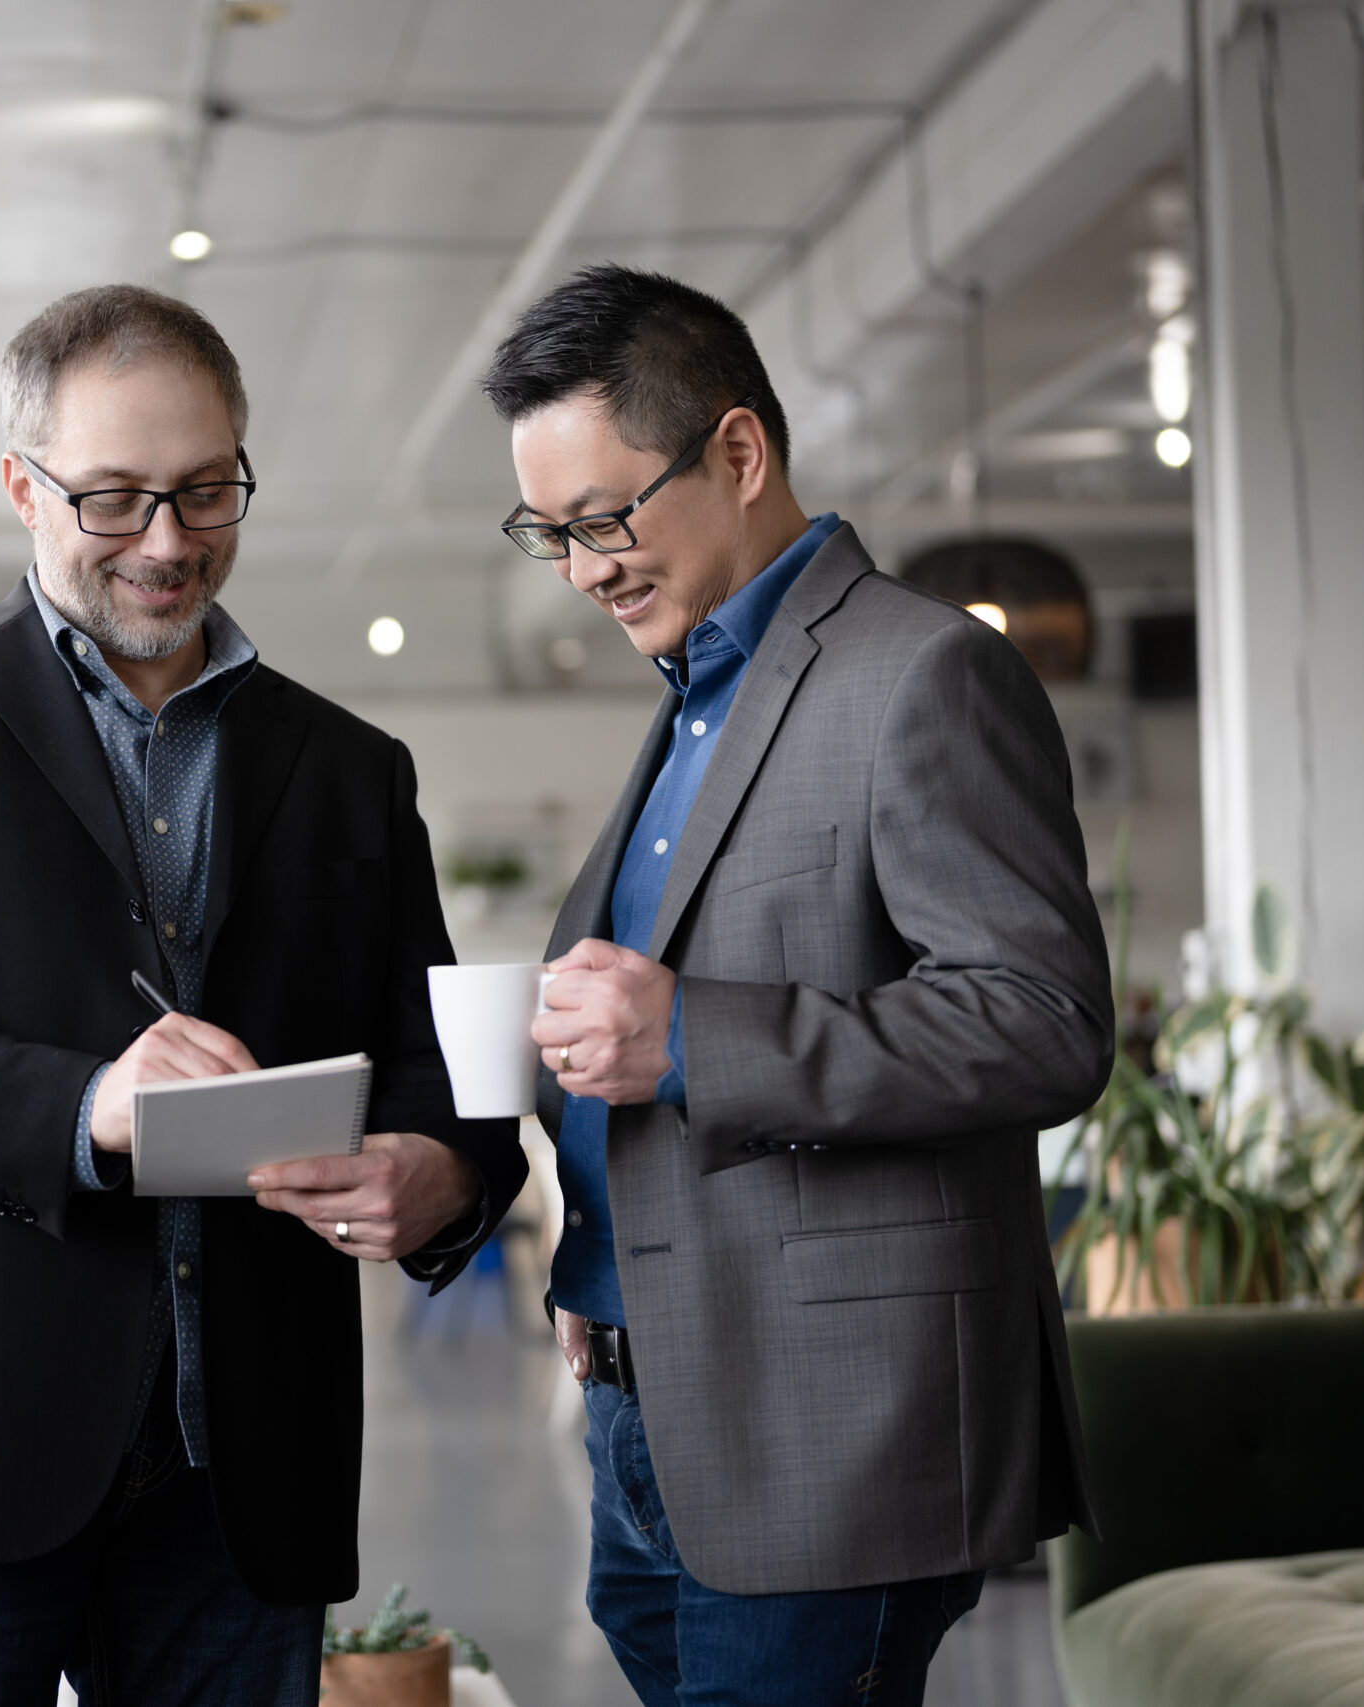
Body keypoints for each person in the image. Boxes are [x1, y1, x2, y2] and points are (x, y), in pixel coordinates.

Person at [0, 283, 526, 1706]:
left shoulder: (350, 769)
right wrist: (88, 1103)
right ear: (19, 488)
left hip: (240, 1477)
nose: (168, 542)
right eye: (113, 499)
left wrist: (444, 1176)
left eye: (206, 490)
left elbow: (435, 1070)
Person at [484, 264, 1114, 1707]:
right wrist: (601, 1247)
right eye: (550, 533)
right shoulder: (698, 700)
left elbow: (1044, 1024)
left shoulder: (923, 676)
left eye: (602, 519)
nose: (581, 569)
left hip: (832, 1427)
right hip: (651, 1391)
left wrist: (692, 1033)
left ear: (739, 454)